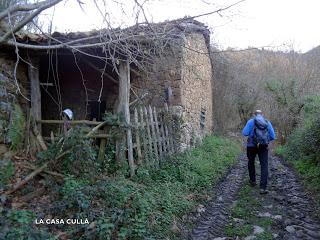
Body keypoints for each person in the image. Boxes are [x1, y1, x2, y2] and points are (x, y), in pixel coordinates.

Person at [242, 110, 275, 194]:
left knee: (251, 162)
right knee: (264, 165)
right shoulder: (267, 122)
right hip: (263, 146)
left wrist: (252, 135)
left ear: (254, 114)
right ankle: (263, 188)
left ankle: (253, 181)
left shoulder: (250, 121)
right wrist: (265, 140)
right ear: (262, 114)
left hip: (251, 146)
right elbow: (272, 136)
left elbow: (245, 133)